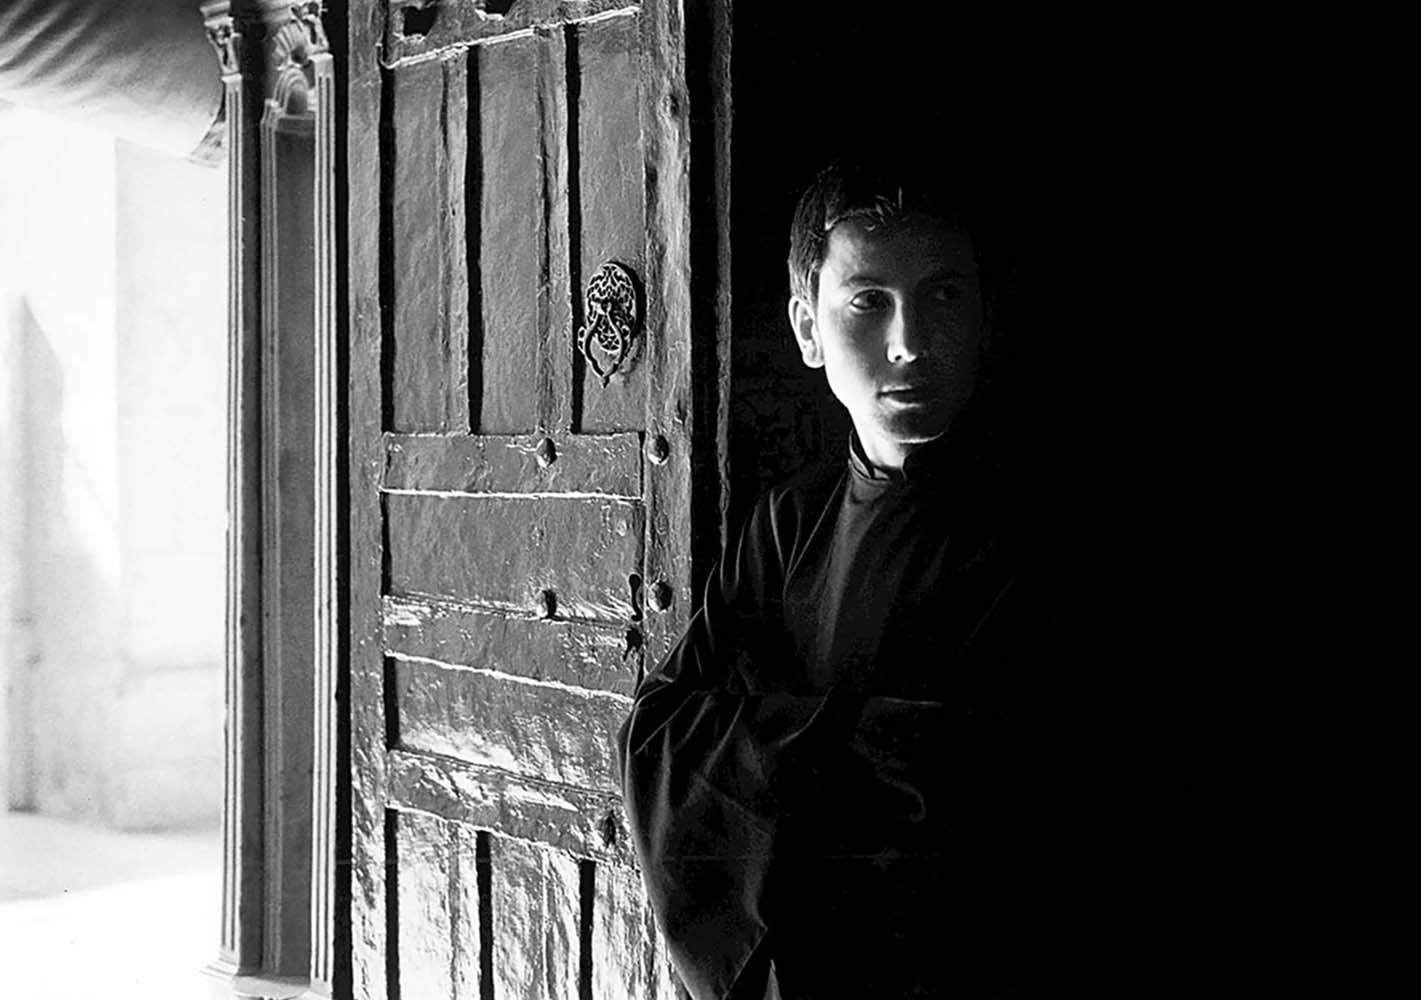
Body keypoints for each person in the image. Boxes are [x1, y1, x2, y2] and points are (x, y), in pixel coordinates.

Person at [618, 157, 1041, 999]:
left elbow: (1000, 785)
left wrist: (780, 756)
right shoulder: (787, 524)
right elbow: (659, 739)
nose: (910, 342)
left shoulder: (1033, 525)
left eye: (944, 296)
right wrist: (872, 751)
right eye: (868, 302)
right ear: (808, 330)